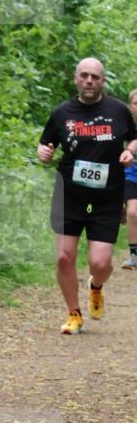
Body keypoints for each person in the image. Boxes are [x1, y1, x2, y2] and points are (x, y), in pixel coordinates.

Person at [37, 57, 137, 334]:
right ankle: (74, 313)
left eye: (95, 76)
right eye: (84, 76)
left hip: (107, 196)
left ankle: (96, 286)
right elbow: (46, 144)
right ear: (76, 79)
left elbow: (134, 137)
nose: (89, 81)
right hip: (69, 193)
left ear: (103, 81)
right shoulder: (61, 113)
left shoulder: (118, 110)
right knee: (63, 257)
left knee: (100, 263)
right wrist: (43, 152)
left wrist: (131, 151)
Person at [122, 87, 137, 270]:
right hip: (130, 174)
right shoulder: (123, 124)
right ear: (130, 105)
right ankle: (134, 256)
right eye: (135, 103)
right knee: (132, 213)